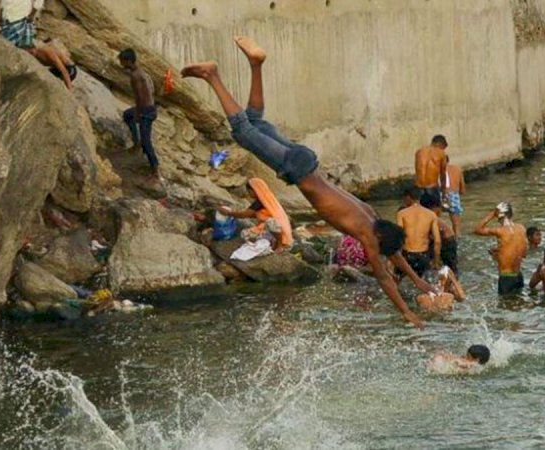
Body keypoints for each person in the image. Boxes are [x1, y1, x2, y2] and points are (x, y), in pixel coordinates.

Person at [181, 36, 435, 328]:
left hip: (308, 160)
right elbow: (383, 277)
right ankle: (212, 76)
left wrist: (419, 282)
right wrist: (406, 312)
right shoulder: (367, 237)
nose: (379, 254)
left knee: (255, 121)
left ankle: (256, 64)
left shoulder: (371, 215)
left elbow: (394, 254)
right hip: (297, 169)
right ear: (378, 240)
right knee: (241, 131)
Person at [219, 178, 293, 252]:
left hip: (278, 231)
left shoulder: (261, 202)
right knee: (244, 234)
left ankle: (280, 244)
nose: (248, 193)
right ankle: (270, 242)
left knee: (270, 222)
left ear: (255, 190)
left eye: (249, 191)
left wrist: (228, 213)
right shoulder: (266, 200)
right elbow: (253, 215)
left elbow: (244, 215)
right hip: (269, 231)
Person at [119, 48, 160, 178]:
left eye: (122, 62)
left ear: (129, 61)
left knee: (146, 142)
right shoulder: (142, 72)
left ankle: (155, 169)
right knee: (127, 115)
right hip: (151, 107)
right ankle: (136, 143)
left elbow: (139, 96)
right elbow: (151, 89)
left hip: (146, 111)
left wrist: (138, 113)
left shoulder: (135, 76)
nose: (121, 65)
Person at [474, 202, 528, 295]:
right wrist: (501, 251)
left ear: (499, 215)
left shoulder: (500, 231)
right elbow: (524, 254)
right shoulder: (521, 228)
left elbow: (477, 230)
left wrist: (491, 214)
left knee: (504, 306)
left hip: (506, 278)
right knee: (518, 305)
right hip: (519, 276)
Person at [397, 188, 441, 278]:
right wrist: (436, 262)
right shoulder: (431, 214)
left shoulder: (401, 213)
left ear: (408, 197)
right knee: (425, 285)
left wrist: (395, 259)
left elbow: (399, 237)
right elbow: (437, 241)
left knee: (395, 282)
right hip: (423, 255)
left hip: (407, 254)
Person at [421, 193, 459, 275]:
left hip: (447, 242)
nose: (440, 211)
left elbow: (436, 240)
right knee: (451, 269)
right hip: (448, 242)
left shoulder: (432, 218)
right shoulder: (434, 218)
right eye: (440, 208)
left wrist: (436, 260)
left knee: (450, 269)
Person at [414, 135, 448, 207]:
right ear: (440, 144)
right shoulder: (441, 153)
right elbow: (443, 175)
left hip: (418, 188)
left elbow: (417, 170)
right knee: (434, 214)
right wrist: (444, 193)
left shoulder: (419, 152)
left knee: (421, 213)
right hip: (432, 187)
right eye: (443, 148)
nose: (443, 150)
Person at [444, 156, 465, 236]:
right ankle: (457, 241)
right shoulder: (457, 169)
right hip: (453, 195)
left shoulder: (435, 170)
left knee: (434, 219)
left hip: (440, 194)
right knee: (456, 225)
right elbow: (462, 189)